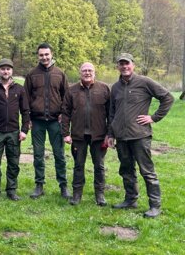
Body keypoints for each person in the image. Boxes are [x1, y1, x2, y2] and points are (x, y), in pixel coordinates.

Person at [108, 53, 174, 218]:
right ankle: (130, 200)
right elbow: (112, 112)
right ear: (118, 66)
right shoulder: (115, 87)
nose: (124, 66)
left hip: (139, 136)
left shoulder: (144, 82)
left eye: (127, 63)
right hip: (121, 137)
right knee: (126, 170)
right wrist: (111, 133)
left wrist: (153, 117)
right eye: (121, 64)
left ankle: (155, 205)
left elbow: (167, 98)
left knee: (147, 171)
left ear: (133, 65)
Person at [24, 43, 70, 199]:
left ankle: (63, 186)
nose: (44, 57)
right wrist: (28, 119)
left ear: (52, 54)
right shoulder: (32, 75)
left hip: (55, 121)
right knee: (38, 154)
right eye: (41, 55)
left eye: (46, 54)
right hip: (37, 121)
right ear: (38, 56)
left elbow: (66, 98)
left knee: (59, 154)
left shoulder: (60, 74)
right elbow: (26, 98)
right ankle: (39, 185)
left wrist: (63, 115)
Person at [61, 62, 110, 206]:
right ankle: (77, 195)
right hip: (78, 136)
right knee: (78, 165)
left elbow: (110, 113)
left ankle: (100, 195)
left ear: (94, 72)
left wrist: (109, 134)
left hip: (99, 136)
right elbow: (65, 113)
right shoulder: (71, 90)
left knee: (99, 166)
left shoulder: (104, 89)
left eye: (90, 70)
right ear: (80, 73)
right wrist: (66, 133)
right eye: (84, 71)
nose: (87, 73)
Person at [0, 58, 30, 201]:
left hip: (14, 133)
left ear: (12, 71)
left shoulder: (20, 89)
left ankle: (11, 190)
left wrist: (24, 130)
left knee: (13, 164)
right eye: (3, 68)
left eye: (8, 69)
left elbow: (26, 111)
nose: (5, 71)